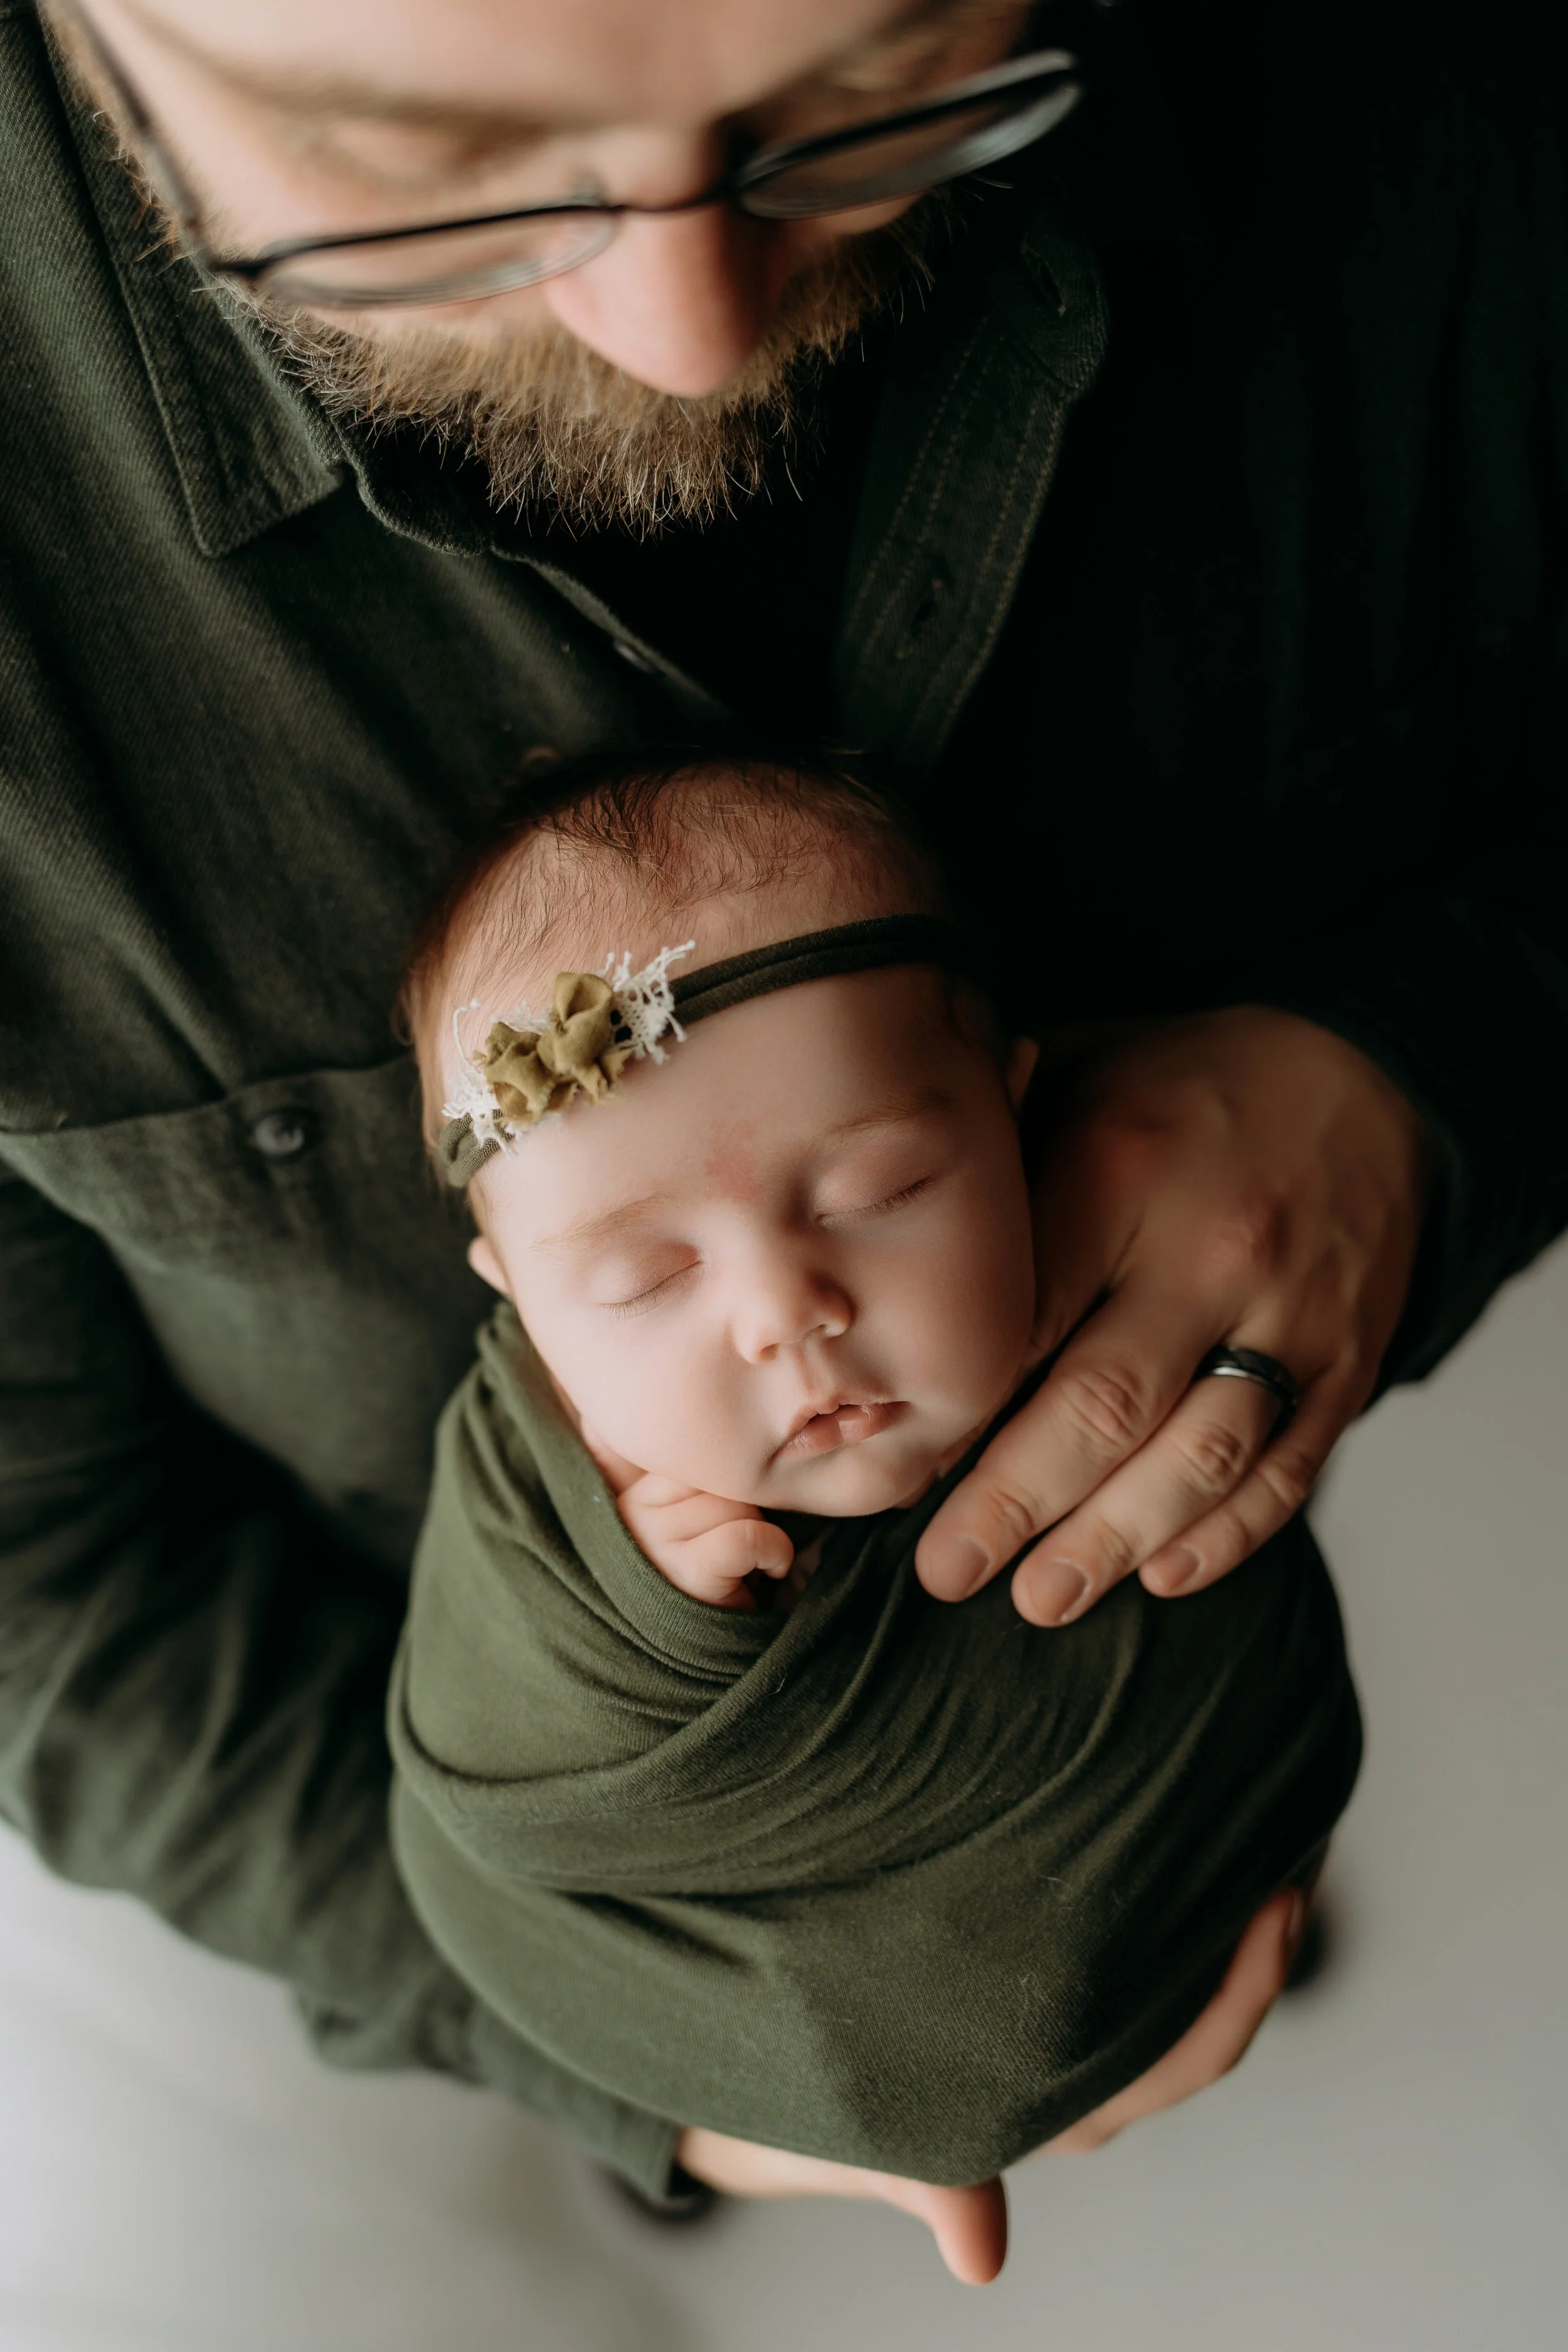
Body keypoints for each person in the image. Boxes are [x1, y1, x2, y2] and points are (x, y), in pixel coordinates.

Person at [2, 0, 1564, 2281]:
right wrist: (634, 2057)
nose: (683, 326)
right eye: (423, 158)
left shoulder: (1459, 108)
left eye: (882, 88)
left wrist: (1438, 1075)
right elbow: (40, 1578)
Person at [385, 751, 1359, 2204]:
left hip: (1161, 1816)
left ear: (1011, 1114)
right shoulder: (530, 1503)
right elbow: (487, 1788)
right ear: (517, 1304)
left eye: (882, 1192)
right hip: (691, 1940)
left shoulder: (1123, 1308)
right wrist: (623, 1605)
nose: (786, 1310)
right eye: (642, 1277)